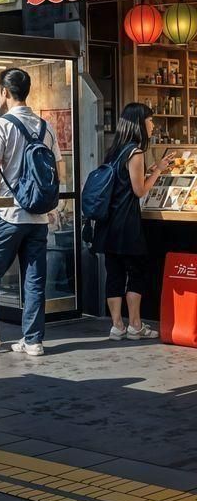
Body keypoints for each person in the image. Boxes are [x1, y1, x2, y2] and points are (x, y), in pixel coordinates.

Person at [0, 68, 63, 358]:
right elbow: (59, 171)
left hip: (8, 214)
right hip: (38, 217)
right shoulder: (46, 127)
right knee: (34, 279)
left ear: (4, 92)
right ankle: (33, 341)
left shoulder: (0, 125)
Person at [93, 103, 168, 341]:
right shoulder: (135, 152)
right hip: (127, 224)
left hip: (108, 224)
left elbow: (123, 184)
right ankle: (135, 324)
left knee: (114, 274)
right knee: (136, 272)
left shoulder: (114, 151)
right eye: (150, 120)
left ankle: (117, 326)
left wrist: (149, 170)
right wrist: (159, 171)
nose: (152, 124)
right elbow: (139, 190)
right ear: (139, 123)